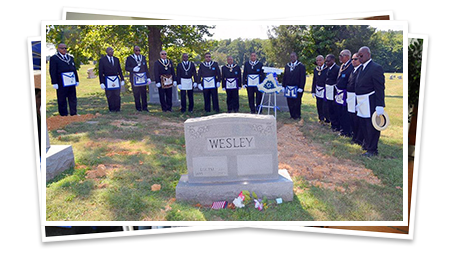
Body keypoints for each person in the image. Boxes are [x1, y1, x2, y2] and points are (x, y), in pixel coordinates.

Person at [355, 46, 386, 157]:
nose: (359, 57)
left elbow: (379, 87)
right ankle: (367, 145)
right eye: (358, 56)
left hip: (371, 100)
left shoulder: (375, 68)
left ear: (368, 54)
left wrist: (380, 104)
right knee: (363, 124)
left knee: (371, 126)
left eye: (361, 55)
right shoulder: (361, 68)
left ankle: (372, 149)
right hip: (362, 101)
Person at [49, 43, 79, 116]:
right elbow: (52, 71)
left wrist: (77, 80)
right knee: (62, 98)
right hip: (61, 81)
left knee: (72, 97)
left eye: (65, 48)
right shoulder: (54, 58)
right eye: (62, 48)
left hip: (71, 81)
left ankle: (73, 113)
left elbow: (74, 69)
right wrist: (54, 82)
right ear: (58, 49)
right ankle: (63, 114)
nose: (64, 50)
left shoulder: (70, 58)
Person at [125, 46, 151, 112]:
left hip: (143, 78)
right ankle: (138, 108)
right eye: (136, 50)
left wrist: (148, 77)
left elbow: (146, 68)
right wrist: (133, 69)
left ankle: (145, 107)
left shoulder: (143, 57)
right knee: (136, 94)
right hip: (134, 78)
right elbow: (126, 67)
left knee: (144, 93)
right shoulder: (130, 58)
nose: (138, 52)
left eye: (139, 50)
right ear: (134, 50)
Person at [98, 47, 125, 112]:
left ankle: (117, 108)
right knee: (109, 95)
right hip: (107, 79)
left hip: (115, 79)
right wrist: (101, 82)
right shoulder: (102, 60)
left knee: (117, 94)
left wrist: (122, 79)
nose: (111, 52)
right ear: (107, 52)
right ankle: (111, 109)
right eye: (110, 51)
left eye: (112, 51)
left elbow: (119, 70)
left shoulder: (116, 59)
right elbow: (100, 72)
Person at [335, 49, 354, 137]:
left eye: (341, 55)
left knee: (346, 112)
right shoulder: (342, 66)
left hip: (346, 93)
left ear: (347, 56)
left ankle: (347, 131)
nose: (340, 57)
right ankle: (342, 129)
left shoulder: (351, 66)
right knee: (340, 112)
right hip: (339, 93)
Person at [282, 52, 306, 120]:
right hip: (288, 87)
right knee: (290, 102)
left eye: (293, 56)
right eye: (291, 56)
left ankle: (297, 115)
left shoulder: (301, 66)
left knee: (297, 102)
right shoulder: (287, 66)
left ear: (296, 57)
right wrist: (283, 86)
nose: (292, 58)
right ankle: (292, 115)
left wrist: (301, 87)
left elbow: (303, 78)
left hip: (297, 87)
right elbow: (285, 76)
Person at [347, 53, 363, 146]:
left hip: (357, 97)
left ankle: (358, 138)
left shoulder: (360, 70)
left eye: (355, 59)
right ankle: (354, 135)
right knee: (352, 117)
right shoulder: (353, 70)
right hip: (350, 96)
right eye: (352, 59)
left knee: (357, 118)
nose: (353, 61)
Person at [324, 54, 340, 131]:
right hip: (328, 89)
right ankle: (332, 123)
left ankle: (336, 125)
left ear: (333, 60)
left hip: (334, 89)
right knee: (329, 106)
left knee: (334, 108)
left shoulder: (337, 69)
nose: (327, 62)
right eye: (326, 61)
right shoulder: (327, 68)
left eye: (328, 61)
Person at [311, 55, 328, 124]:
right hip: (318, 89)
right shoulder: (316, 69)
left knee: (325, 105)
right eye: (317, 60)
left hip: (324, 90)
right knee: (319, 104)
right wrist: (313, 91)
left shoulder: (327, 69)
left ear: (323, 60)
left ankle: (326, 118)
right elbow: (314, 80)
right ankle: (320, 118)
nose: (319, 62)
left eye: (320, 60)